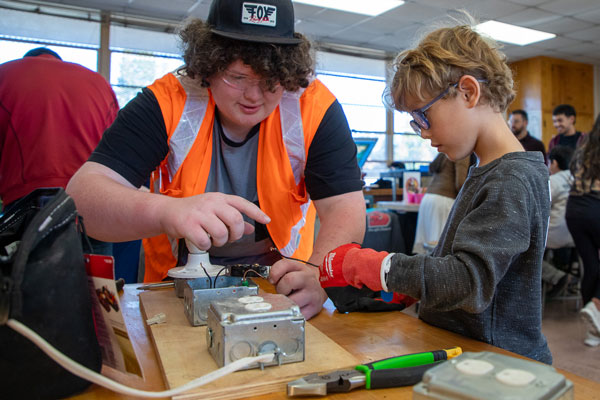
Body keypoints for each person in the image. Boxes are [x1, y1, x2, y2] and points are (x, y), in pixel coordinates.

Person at [66, 0, 365, 319]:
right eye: (237, 77)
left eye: (270, 82)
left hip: (282, 289)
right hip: (174, 288)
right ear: (208, 65)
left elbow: (345, 207)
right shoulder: (168, 100)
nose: (253, 96)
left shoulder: (314, 108)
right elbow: (81, 197)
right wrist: (168, 210)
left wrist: (319, 274)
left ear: (289, 74)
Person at [318, 19, 553, 363]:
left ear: (469, 92)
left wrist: (375, 266)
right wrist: (410, 288)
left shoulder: (511, 178)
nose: (423, 134)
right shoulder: (487, 170)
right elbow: (457, 265)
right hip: (467, 354)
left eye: (424, 116)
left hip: (497, 363)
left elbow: (467, 282)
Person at [0, 47, 119, 254]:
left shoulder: (6, 75)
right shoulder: (99, 83)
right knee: (97, 283)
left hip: (29, 203)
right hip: (94, 203)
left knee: (26, 281)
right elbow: (118, 149)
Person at [565, 114, 600, 347]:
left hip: (574, 209)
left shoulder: (585, 146)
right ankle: (595, 305)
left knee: (591, 265)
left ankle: (594, 331)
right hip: (596, 206)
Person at [412, 152, 472, 254]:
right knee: (440, 248)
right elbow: (461, 183)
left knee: (428, 248)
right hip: (443, 201)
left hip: (428, 199)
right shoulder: (462, 152)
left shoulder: (446, 152)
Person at [542, 145, 575, 297]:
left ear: (554, 163)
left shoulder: (552, 181)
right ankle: (561, 275)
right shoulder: (576, 178)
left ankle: (557, 277)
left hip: (554, 236)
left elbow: (540, 206)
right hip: (576, 236)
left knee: (522, 248)